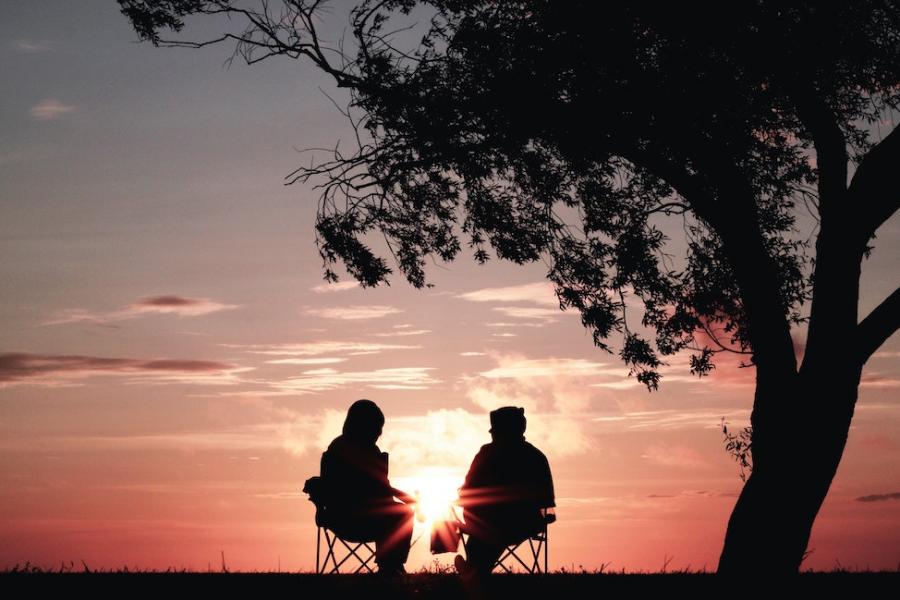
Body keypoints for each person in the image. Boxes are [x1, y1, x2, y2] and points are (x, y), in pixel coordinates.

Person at [455, 406, 555, 578]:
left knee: (487, 532)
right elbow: (547, 501)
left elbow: (467, 490)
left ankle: (475, 571)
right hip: (525, 523)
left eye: (494, 432)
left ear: (501, 432)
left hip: (494, 523)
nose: (492, 436)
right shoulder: (536, 456)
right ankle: (475, 570)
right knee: (489, 532)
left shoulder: (486, 453)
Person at [318, 399, 415, 576]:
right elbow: (377, 487)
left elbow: (382, 487)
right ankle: (390, 566)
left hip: (352, 516)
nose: (379, 433)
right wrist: (408, 499)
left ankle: (391, 565)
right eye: (376, 427)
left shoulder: (351, 448)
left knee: (400, 513)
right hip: (349, 517)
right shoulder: (345, 450)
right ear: (363, 426)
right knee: (403, 514)